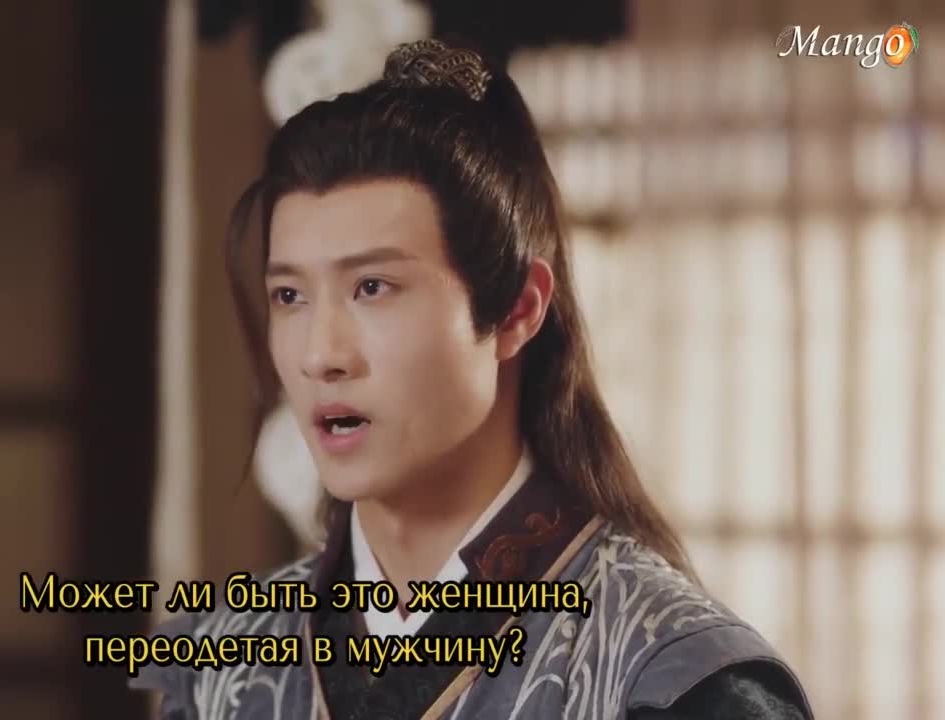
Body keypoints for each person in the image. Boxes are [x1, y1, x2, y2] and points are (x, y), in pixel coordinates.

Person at [131, 39, 813, 719]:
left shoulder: (676, 681)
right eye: (290, 296)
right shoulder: (224, 671)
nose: (320, 355)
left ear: (518, 309)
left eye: (372, 287)